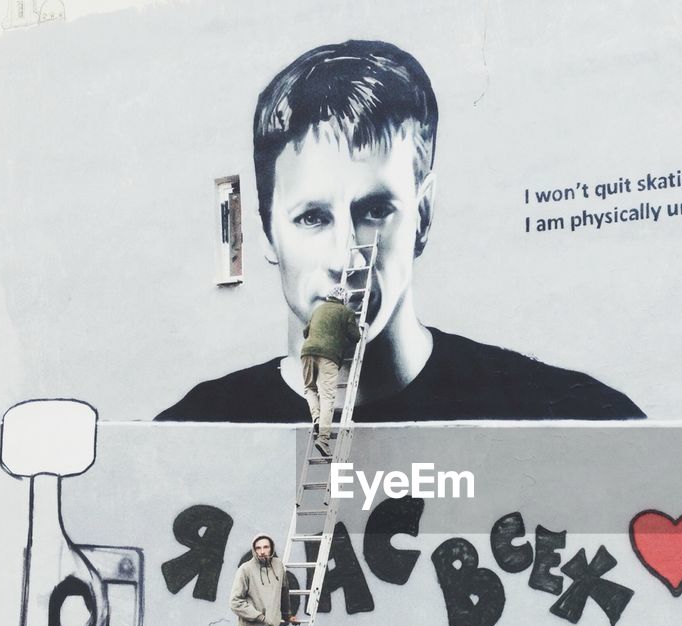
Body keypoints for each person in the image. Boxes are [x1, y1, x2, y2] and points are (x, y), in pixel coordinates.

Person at [156, 39, 643, 424]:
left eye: (374, 210)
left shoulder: (572, 417)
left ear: (423, 213)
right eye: (312, 217)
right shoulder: (193, 435)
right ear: (265, 230)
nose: (347, 257)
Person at [302, 283, 360, 456]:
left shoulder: (317, 310)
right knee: (327, 396)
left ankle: (317, 419)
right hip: (329, 356)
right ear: (344, 299)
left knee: (310, 388)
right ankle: (323, 439)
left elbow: (306, 332)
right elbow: (355, 337)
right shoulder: (346, 312)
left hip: (307, 352)